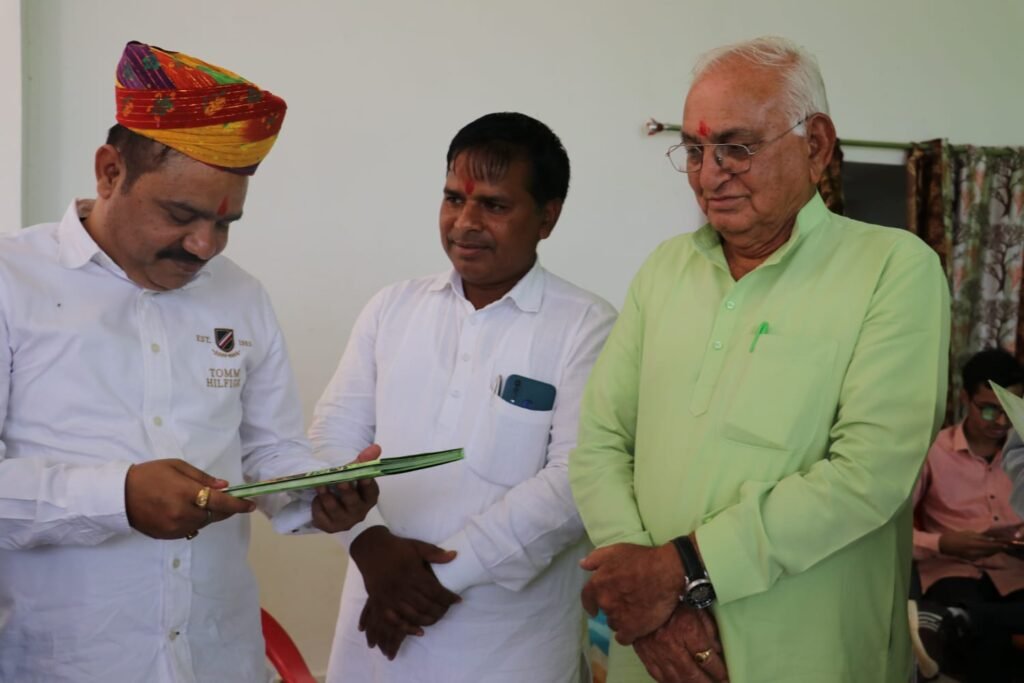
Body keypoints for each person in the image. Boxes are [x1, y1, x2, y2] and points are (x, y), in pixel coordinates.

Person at [568, 35, 950, 683]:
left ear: (816, 144)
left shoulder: (893, 269)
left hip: (809, 654)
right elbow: (601, 443)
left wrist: (680, 571)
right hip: (652, 653)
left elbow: (868, 474)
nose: (708, 174)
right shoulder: (665, 270)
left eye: (736, 147)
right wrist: (649, 599)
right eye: (694, 150)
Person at [0, 41, 378, 683]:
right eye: (181, 215)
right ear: (110, 172)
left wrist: (315, 495)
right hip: (65, 664)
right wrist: (118, 497)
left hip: (219, 659)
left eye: (226, 223)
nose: (205, 245)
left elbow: (270, 449)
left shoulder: (241, 296)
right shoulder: (14, 282)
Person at [309, 112, 617, 682]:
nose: (466, 222)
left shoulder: (586, 325)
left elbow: (575, 482)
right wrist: (368, 542)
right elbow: (332, 434)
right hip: (375, 623)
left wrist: (438, 577)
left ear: (547, 217)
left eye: (494, 206)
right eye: (454, 198)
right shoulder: (392, 308)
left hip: (508, 648)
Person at [913, 348, 1024, 682]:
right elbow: (893, 532)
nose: (1001, 422)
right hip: (952, 570)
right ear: (965, 398)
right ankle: (961, 616)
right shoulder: (933, 451)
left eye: (1009, 409)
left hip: (1014, 571)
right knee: (987, 644)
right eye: (989, 410)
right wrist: (943, 543)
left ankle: (956, 616)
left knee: (980, 625)